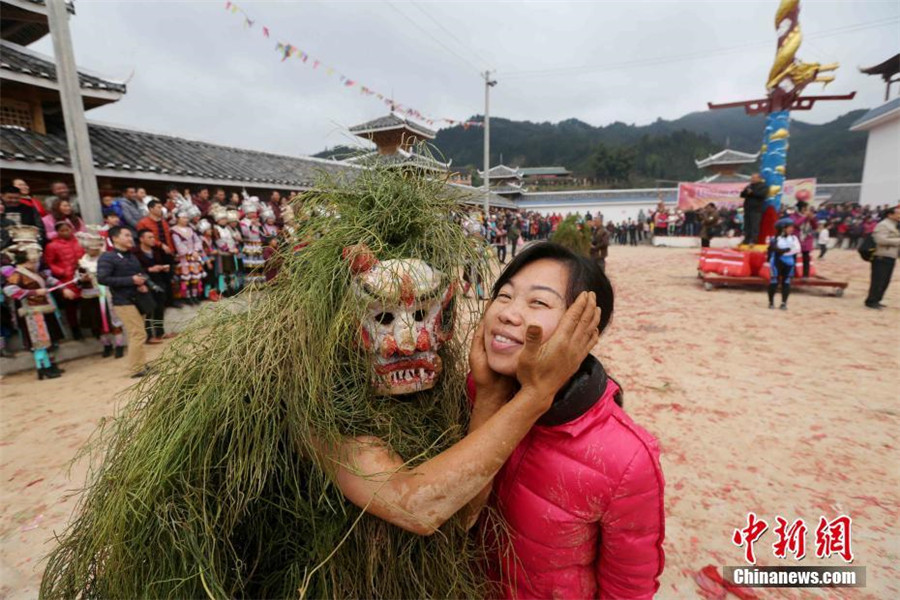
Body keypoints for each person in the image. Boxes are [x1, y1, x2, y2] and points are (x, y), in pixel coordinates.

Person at [40, 167, 599, 598]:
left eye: (427, 317)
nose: (409, 343)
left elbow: (465, 512)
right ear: (338, 322)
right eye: (382, 319)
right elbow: (419, 506)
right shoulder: (314, 392)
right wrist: (532, 397)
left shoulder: (444, 387)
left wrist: (492, 397)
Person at [467, 242, 665, 598]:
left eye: (538, 302)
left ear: (584, 329)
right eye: (505, 295)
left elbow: (628, 588)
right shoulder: (472, 391)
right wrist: (485, 397)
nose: (508, 314)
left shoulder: (626, 457)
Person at [2, 227, 66, 379]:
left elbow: (48, 279)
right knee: (38, 341)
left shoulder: (35, 272)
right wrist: (34, 293)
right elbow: (10, 290)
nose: (36, 262)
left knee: (47, 338)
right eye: (33, 259)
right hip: (32, 311)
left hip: (44, 309)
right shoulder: (17, 274)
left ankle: (50, 364)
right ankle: (43, 367)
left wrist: (61, 285)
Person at [96, 226, 150, 377]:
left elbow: (141, 273)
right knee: (137, 334)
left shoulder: (131, 256)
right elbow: (102, 278)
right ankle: (136, 368)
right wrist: (131, 280)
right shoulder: (107, 257)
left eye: (130, 236)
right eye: (126, 235)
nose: (130, 238)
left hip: (136, 298)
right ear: (115, 238)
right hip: (123, 301)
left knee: (139, 333)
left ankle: (141, 364)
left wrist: (142, 282)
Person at [76, 230, 126, 358]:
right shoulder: (82, 261)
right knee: (98, 323)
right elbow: (76, 278)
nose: (89, 250)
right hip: (91, 296)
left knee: (114, 321)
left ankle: (119, 345)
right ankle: (107, 345)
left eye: (92, 248)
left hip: (108, 294)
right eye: (87, 248)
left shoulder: (107, 259)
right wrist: (82, 280)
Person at [44, 222, 85, 339]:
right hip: (66, 279)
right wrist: (62, 272)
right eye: (62, 230)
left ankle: (93, 328)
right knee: (70, 306)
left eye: (67, 229)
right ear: (58, 232)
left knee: (87, 303)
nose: (65, 232)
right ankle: (75, 330)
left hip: (82, 276)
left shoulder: (79, 241)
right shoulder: (52, 246)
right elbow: (49, 263)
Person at [134, 229, 171, 343]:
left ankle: (160, 333)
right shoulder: (135, 253)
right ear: (141, 239)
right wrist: (149, 269)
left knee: (160, 308)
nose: (152, 240)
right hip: (144, 283)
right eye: (149, 237)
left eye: (153, 237)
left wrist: (165, 267)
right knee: (148, 310)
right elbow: (135, 269)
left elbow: (168, 261)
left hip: (159, 281)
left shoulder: (157, 250)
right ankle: (149, 336)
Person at [864, 204, 900, 310]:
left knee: (885, 280)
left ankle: (877, 300)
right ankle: (871, 301)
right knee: (878, 280)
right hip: (881, 256)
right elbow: (880, 240)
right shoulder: (883, 225)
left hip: (890, 256)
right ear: (890, 215)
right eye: (898, 213)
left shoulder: (894, 225)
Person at [171, 207, 205, 305]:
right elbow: (178, 244)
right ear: (177, 218)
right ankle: (187, 296)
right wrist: (190, 253)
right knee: (185, 278)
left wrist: (196, 250)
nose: (186, 219)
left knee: (195, 278)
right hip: (183, 258)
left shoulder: (190, 229)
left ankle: (194, 295)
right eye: (183, 218)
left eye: (186, 218)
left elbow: (197, 240)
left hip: (194, 256)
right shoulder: (174, 231)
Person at [767, 219, 801, 310]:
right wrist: (787, 250)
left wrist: (784, 250)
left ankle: (783, 303)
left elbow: (797, 249)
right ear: (783, 228)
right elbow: (775, 248)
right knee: (774, 281)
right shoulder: (775, 238)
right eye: (789, 227)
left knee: (786, 282)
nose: (792, 229)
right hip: (776, 262)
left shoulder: (794, 238)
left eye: (792, 227)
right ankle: (771, 302)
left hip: (789, 262)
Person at [740, 172, 768, 245]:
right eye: (752, 178)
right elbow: (742, 194)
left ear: (759, 178)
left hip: (756, 209)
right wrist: (746, 192)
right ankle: (746, 239)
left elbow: (762, 195)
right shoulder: (749, 186)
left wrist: (752, 193)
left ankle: (753, 240)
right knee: (747, 225)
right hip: (747, 208)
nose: (752, 179)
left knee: (754, 225)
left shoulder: (763, 186)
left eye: (754, 178)